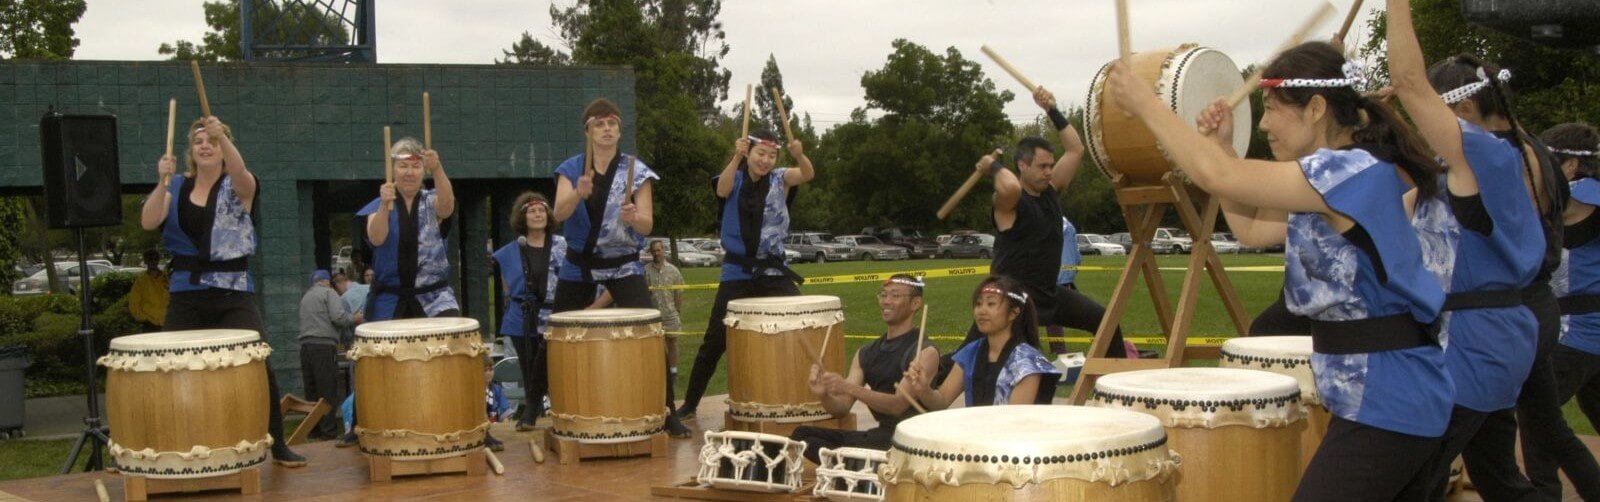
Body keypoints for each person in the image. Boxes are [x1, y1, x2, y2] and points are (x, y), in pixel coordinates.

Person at [1105, 41, 1451, 500]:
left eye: (1271, 109)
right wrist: (1220, 146)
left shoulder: (1346, 173)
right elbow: (1248, 228)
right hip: (1388, 395)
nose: (1264, 124)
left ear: (1316, 109)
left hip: (1391, 396)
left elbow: (1218, 177)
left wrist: (1148, 106)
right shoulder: (1326, 182)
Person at [1386, 3, 1546, 498]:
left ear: (1460, 111)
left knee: (1416, 478)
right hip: (1488, 338)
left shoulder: (1486, 153)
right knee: (1498, 477)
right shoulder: (1481, 161)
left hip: (1474, 343)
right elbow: (1396, 190)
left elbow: (1409, 82)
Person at [137, 115, 306, 466]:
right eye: (199, 141)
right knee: (171, 366)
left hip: (232, 290)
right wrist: (161, 181)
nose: (205, 145)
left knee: (259, 361)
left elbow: (243, 175)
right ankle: (168, 444)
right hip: (186, 290)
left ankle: (277, 442)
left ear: (223, 148)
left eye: (212, 141)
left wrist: (224, 137)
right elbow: (149, 221)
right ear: (190, 150)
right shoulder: (176, 187)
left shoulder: (239, 184)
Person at [551, 98, 690, 438]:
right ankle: (547, 408)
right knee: (557, 335)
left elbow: (646, 225)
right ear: (588, 131)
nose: (607, 129)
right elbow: (558, 214)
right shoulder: (571, 169)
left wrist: (634, 217)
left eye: (612, 123)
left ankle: (667, 409)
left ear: (619, 130)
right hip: (579, 265)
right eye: (599, 124)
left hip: (623, 266)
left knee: (649, 333)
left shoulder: (635, 170)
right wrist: (577, 194)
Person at [963, 86, 1125, 357]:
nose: (1049, 172)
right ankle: (926, 388)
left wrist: (1051, 109)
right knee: (968, 358)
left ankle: (1115, 387)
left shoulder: (1050, 191)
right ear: (1022, 166)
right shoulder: (1010, 204)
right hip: (1012, 300)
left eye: (1051, 165)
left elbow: (1075, 150)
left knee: (1105, 322)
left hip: (1050, 294)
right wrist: (993, 168)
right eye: (1042, 166)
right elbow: (1009, 188)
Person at [678, 128, 815, 420]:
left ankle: (810, 398)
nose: (765, 160)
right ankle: (690, 403)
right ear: (748, 153)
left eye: (771, 155)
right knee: (715, 340)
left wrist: (800, 154)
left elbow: (807, 174)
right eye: (760, 153)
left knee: (801, 327)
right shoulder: (734, 178)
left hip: (773, 271)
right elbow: (721, 190)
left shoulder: (781, 179)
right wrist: (735, 157)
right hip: (737, 272)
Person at [1525, 122, 1600, 500]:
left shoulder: (1578, 196)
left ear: (1570, 165)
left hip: (1577, 334)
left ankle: (1544, 494)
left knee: (1540, 422)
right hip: (1590, 336)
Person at [790, 274, 938, 463]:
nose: (886, 301)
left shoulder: (924, 351)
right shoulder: (866, 352)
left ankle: (852, 466)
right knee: (801, 435)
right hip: (880, 436)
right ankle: (852, 466)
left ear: (915, 303)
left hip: (910, 440)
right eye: (883, 295)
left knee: (834, 450)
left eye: (895, 296)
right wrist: (824, 395)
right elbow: (841, 408)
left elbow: (897, 405)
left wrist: (847, 387)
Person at [904, 275, 1060, 409]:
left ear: (1013, 313)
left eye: (991, 304)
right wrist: (924, 389)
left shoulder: (1027, 362)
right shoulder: (971, 352)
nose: (982, 310)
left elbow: (1015, 421)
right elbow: (942, 400)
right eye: (979, 304)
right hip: (977, 436)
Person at [492, 191, 565, 432]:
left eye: (541, 209)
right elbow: (507, 288)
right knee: (529, 367)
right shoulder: (507, 252)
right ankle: (532, 411)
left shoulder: (562, 246)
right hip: (521, 317)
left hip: (553, 316)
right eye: (531, 210)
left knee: (553, 366)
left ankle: (558, 411)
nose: (537, 214)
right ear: (522, 217)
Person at [298, 270, 355, 441]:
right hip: (323, 346)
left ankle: (313, 429)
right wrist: (354, 318)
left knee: (312, 389)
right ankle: (328, 432)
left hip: (305, 347)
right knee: (327, 389)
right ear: (328, 282)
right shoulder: (329, 293)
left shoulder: (305, 297)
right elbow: (338, 317)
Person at [643, 240, 685, 396]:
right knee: (656, 346)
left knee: (672, 342)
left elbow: (679, 293)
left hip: (670, 314)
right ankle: (659, 372)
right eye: (653, 251)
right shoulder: (646, 271)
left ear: (664, 251)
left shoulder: (673, 271)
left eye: (658, 250)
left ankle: (673, 371)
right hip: (654, 316)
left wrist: (677, 310)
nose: (656, 253)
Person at [128, 249, 168, 333]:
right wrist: (144, 318)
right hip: (150, 324)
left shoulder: (167, 278)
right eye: (150, 259)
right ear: (145, 261)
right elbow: (134, 303)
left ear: (158, 260)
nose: (153, 262)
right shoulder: (141, 281)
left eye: (155, 259)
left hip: (168, 321)